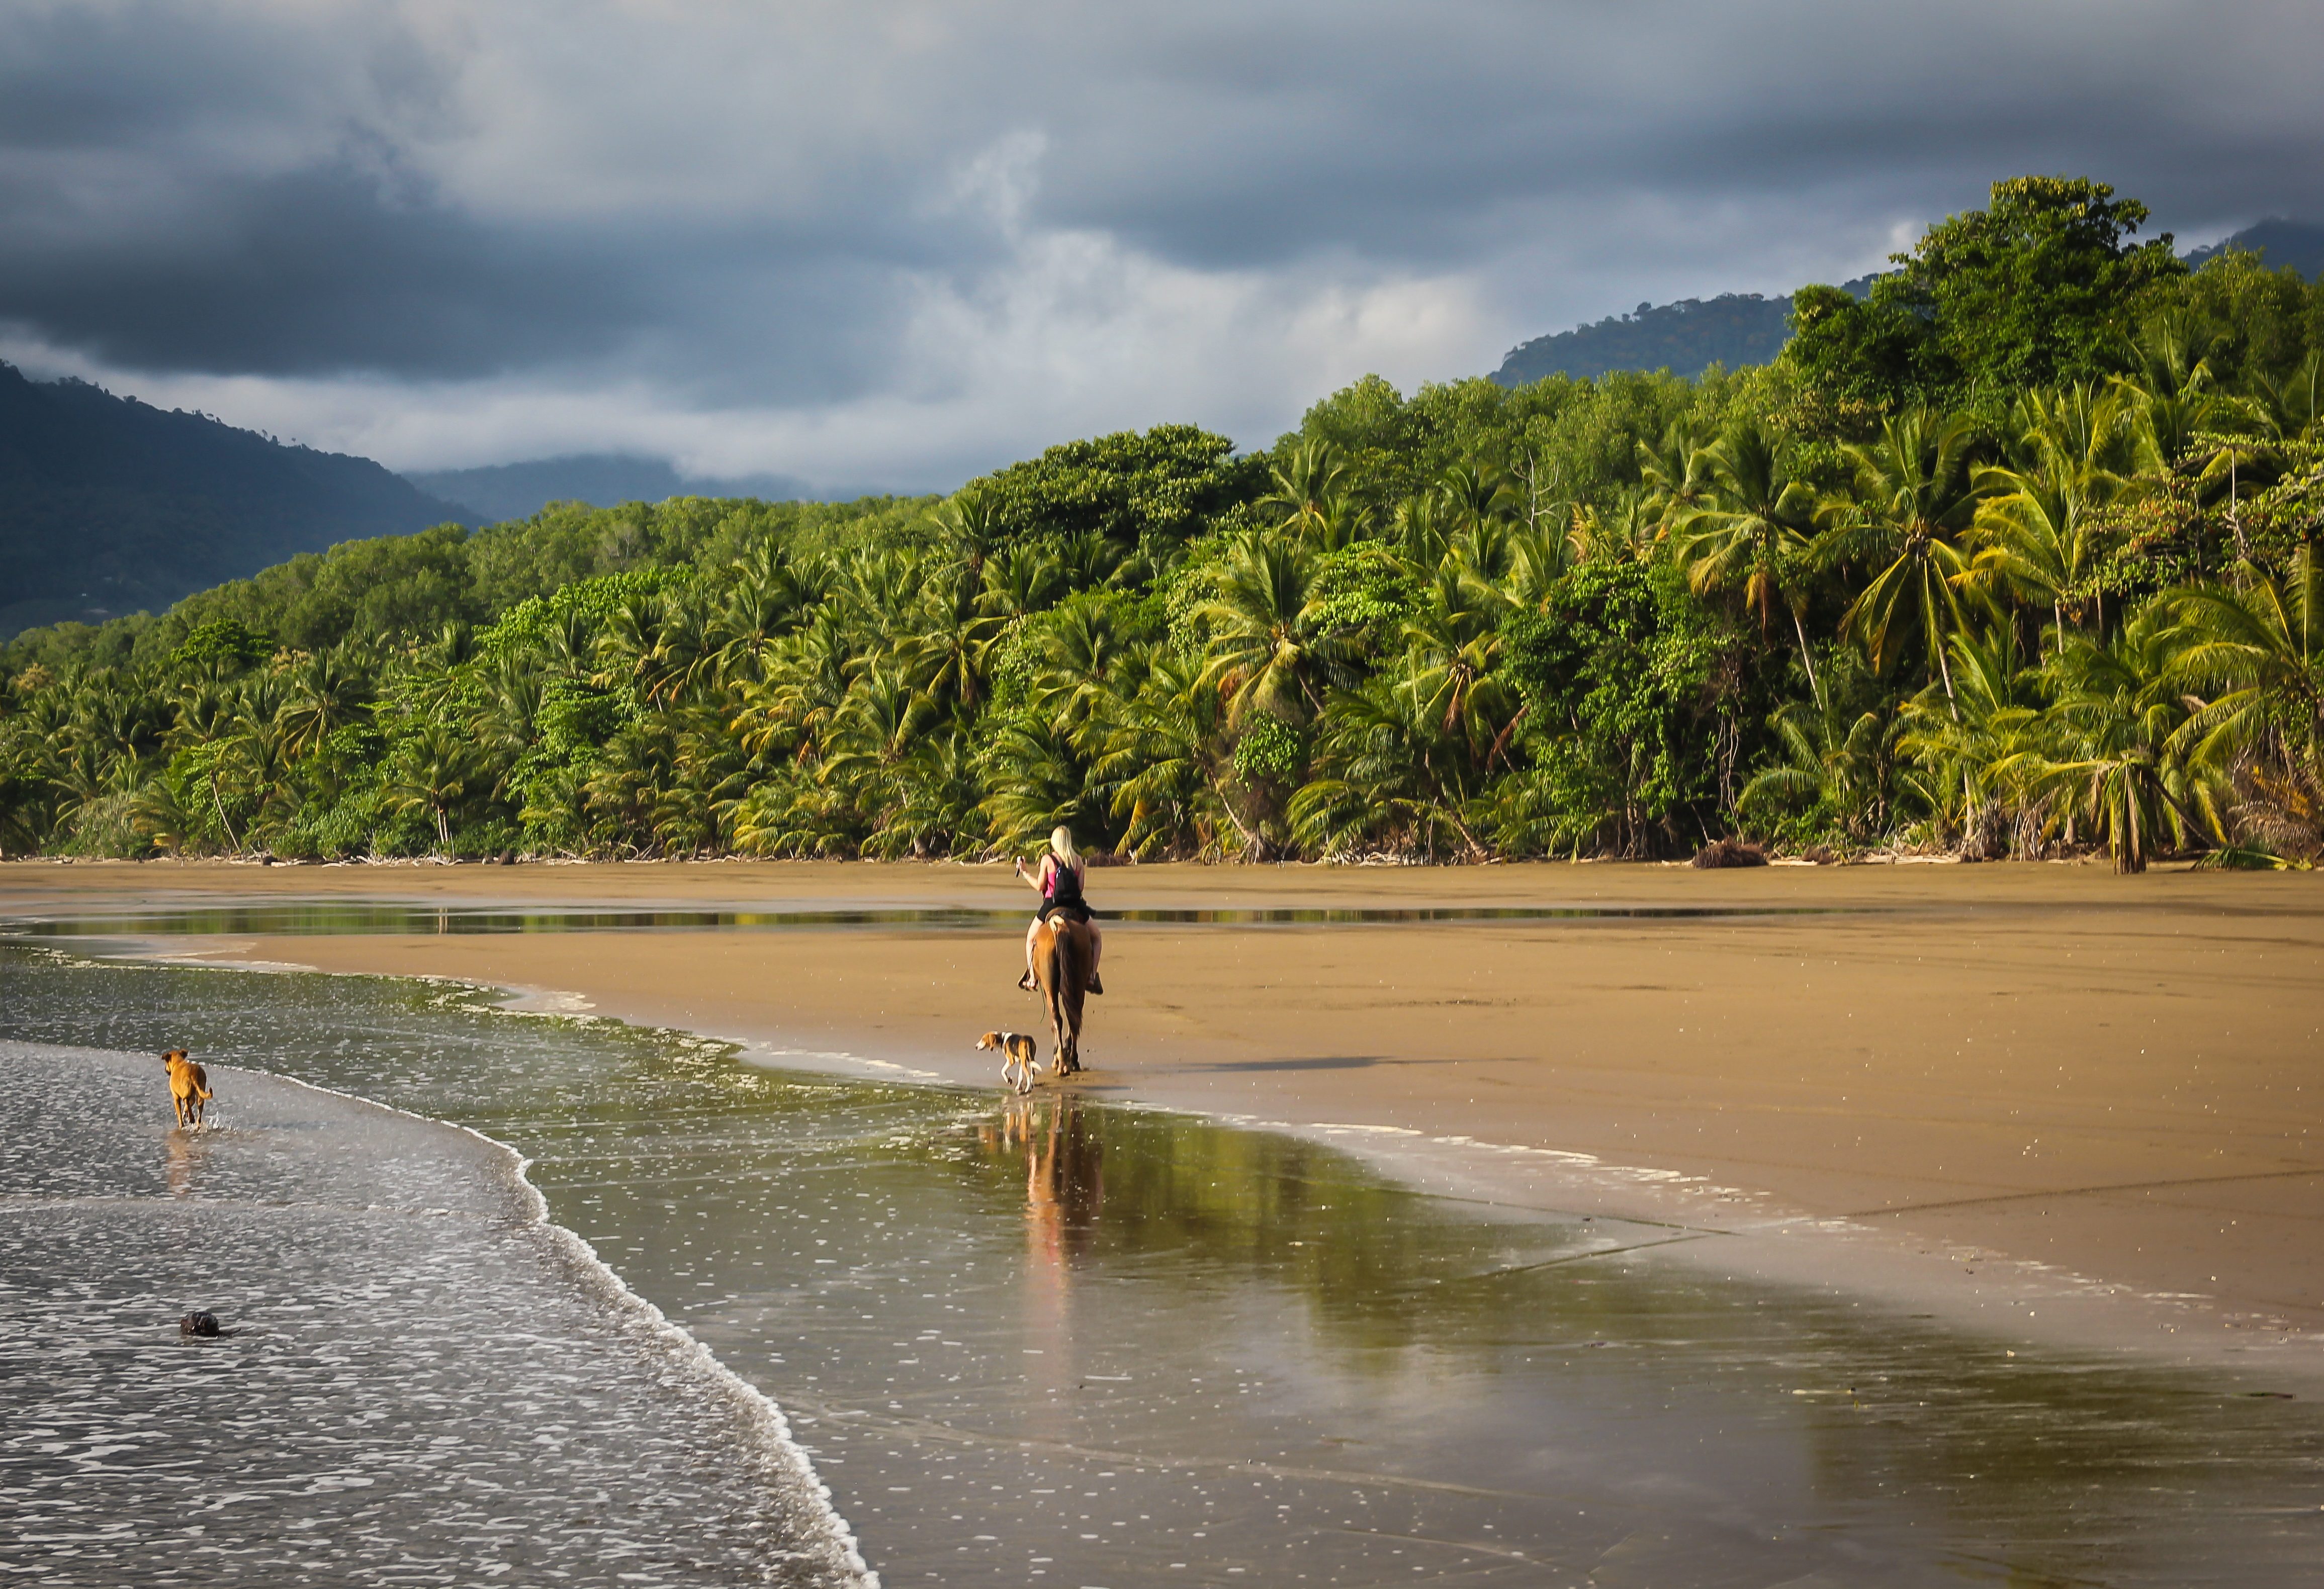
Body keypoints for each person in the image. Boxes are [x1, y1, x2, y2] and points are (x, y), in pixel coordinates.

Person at [1016, 824, 1104, 995]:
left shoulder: (1048, 860)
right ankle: (1092, 976)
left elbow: (1040, 886)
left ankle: (1033, 978)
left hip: (1052, 904)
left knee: (1030, 939)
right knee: (1097, 938)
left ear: (1054, 841)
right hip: (1075, 905)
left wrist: (1025, 873)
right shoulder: (1078, 861)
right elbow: (1080, 888)